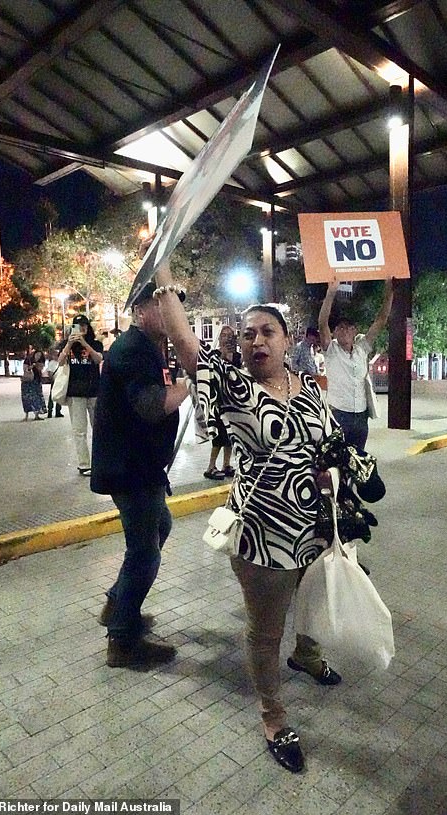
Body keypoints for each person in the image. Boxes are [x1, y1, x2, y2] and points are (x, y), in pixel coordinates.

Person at [152, 260, 346, 774]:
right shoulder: (235, 388)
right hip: (262, 537)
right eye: (248, 335)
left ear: (287, 340)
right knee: (265, 631)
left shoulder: (308, 388)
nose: (257, 341)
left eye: (268, 332)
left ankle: (306, 655)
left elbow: (328, 445)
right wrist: (165, 274)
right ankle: (273, 716)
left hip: (315, 529)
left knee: (313, 600)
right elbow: (188, 347)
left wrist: (333, 472)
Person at [91, 283, 189, 668]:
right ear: (140, 310)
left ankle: (118, 603)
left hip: (137, 465)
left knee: (160, 525)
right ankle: (122, 640)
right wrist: (189, 387)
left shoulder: (146, 347)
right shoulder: (133, 349)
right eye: (162, 304)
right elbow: (151, 406)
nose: (170, 312)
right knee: (145, 553)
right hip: (131, 470)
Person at [318, 278, 393, 451]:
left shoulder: (362, 349)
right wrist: (331, 293)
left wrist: (389, 290)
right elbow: (322, 323)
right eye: (340, 328)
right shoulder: (331, 350)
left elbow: (381, 320)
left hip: (361, 414)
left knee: (358, 458)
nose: (344, 331)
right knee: (337, 457)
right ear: (335, 332)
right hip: (338, 413)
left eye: (348, 327)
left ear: (355, 331)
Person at [57, 315, 103, 476]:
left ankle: (100, 462)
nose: (82, 329)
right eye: (78, 326)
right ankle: (84, 465)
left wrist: (84, 344)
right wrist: (70, 343)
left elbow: (98, 359)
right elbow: (60, 362)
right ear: (73, 327)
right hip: (75, 394)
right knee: (79, 431)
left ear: (88, 327)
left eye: (84, 325)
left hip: (94, 392)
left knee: (98, 429)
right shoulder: (67, 345)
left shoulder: (96, 343)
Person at [204, 325, 241, 480]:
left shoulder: (238, 357)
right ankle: (211, 466)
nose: (227, 338)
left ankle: (226, 464)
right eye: (224, 335)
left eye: (230, 335)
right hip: (219, 401)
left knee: (230, 436)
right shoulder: (214, 355)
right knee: (219, 436)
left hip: (233, 401)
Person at [20, 350, 47, 421]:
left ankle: (36, 414)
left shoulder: (41, 361)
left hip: (36, 380)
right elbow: (25, 369)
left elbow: (41, 369)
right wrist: (31, 366)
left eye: (39, 356)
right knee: (26, 398)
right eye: (37, 355)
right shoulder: (28, 360)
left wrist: (38, 366)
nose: (37, 357)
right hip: (28, 381)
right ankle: (26, 415)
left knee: (37, 397)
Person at [45, 349, 63, 418]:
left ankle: (58, 411)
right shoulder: (52, 362)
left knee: (59, 395)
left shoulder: (61, 362)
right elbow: (50, 373)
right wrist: (52, 379)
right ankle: (50, 411)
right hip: (54, 381)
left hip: (60, 380)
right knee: (52, 396)